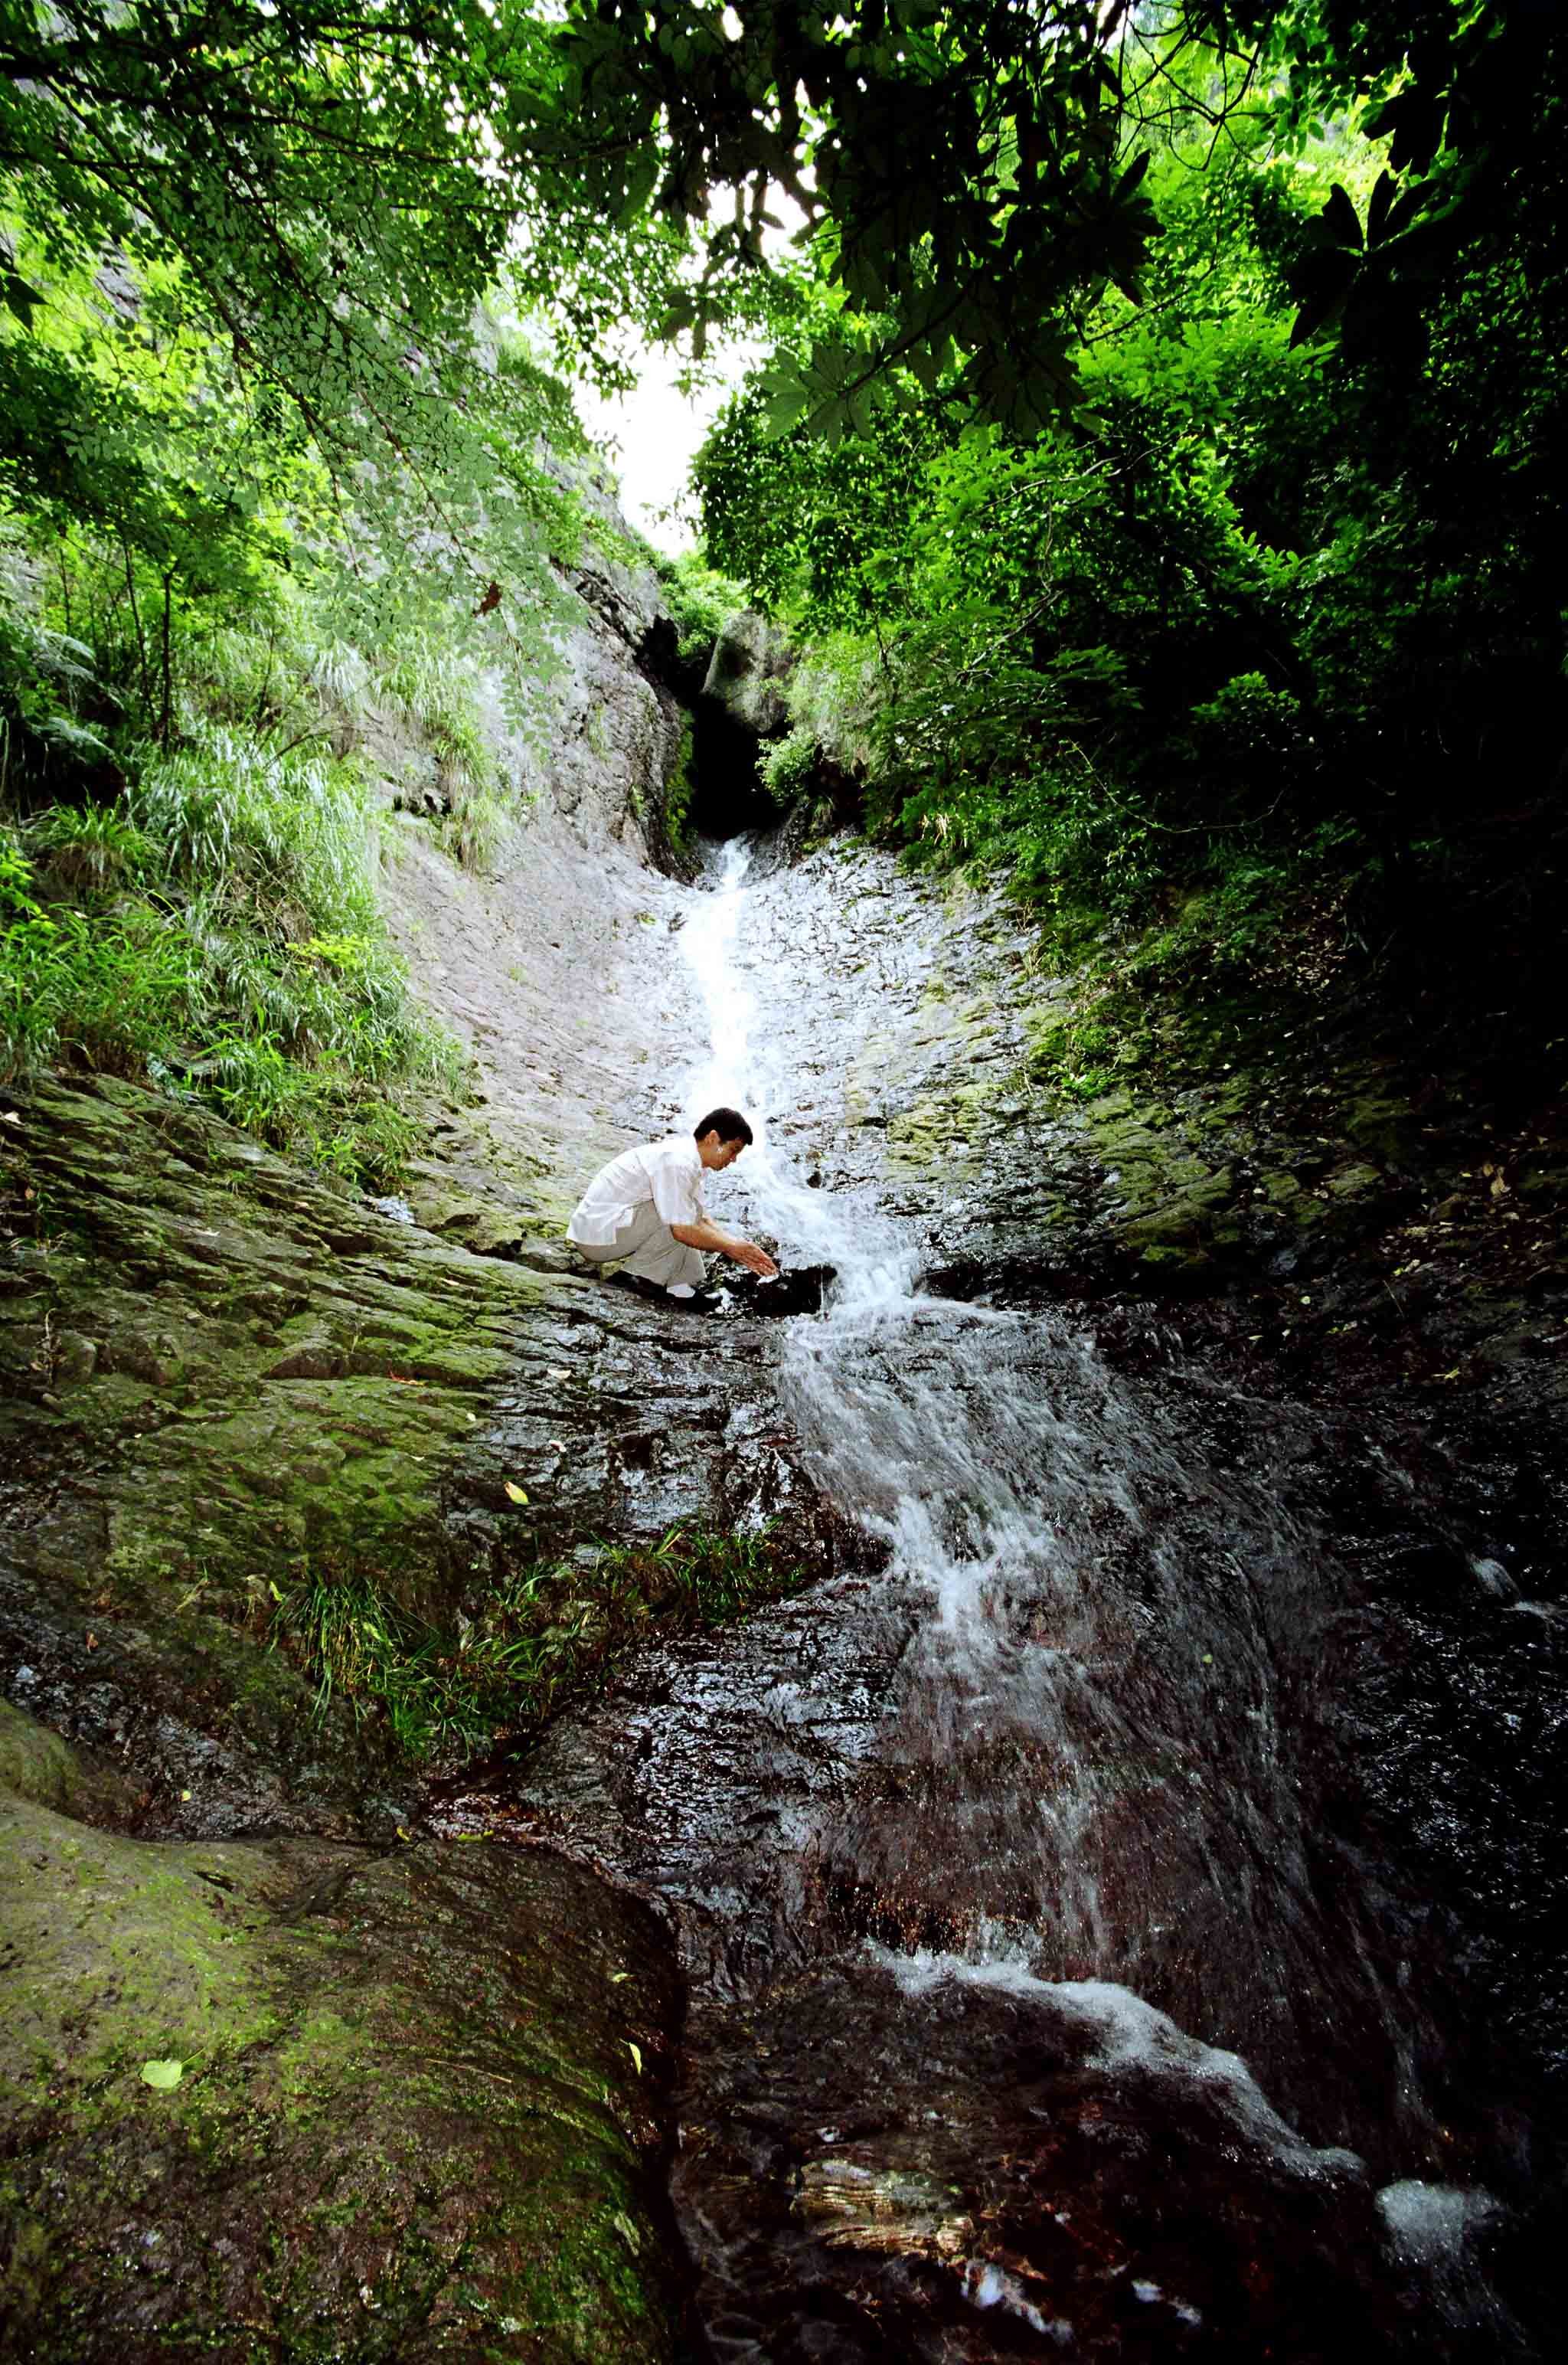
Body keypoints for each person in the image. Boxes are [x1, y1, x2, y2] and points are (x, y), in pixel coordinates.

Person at [567, 1107, 779, 1305]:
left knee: (687, 1211)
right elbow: (683, 1229)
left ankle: (678, 1288)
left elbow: (703, 1219)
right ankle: (639, 1277)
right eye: (733, 1150)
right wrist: (731, 1248)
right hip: (596, 1238)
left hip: (609, 1229)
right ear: (713, 1138)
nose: (733, 1160)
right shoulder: (676, 1161)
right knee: (681, 1217)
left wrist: (738, 1245)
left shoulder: (690, 1161)